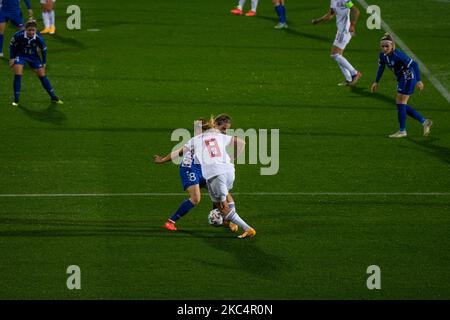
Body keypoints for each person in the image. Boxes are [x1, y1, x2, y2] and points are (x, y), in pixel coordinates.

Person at [154, 116, 238, 233]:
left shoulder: (216, 138)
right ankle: (170, 222)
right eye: (223, 129)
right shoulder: (198, 139)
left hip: (205, 169)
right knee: (196, 198)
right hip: (190, 168)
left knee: (223, 192)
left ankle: (228, 219)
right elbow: (179, 152)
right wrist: (162, 160)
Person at [188, 116, 256, 239]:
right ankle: (229, 220)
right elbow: (242, 142)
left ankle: (246, 228)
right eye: (224, 128)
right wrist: (232, 157)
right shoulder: (219, 136)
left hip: (214, 172)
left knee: (222, 206)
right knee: (223, 196)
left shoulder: (202, 138)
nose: (225, 131)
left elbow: (187, 147)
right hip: (227, 170)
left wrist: (163, 159)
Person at [371, 33, 433, 138]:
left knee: (401, 103)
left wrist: (419, 80)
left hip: (408, 79)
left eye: (387, 46)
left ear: (392, 46)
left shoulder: (398, 55)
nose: (385, 48)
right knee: (401, 104)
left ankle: (403, 131)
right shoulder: (382, 55)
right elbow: (381, 67)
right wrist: (376, 81)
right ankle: (424, 121)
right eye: (383, 46)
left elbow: (414, 64)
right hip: (401, 79)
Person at [9, 19, 63, 106]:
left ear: (36, 30)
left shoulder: (39, 38)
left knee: (42, 75)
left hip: (33, 56)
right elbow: (11, 45)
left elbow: (43, 50)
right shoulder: (18, 35)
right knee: (18, 74)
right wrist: (12, 58)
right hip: (21, 55)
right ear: (25, 29)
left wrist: (44, 62)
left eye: (33, 30)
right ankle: (16, 99)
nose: (31, 32)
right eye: (29, 30)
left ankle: (53, 97)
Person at [312, 0, 362, 86]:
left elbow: (356, 12)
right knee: (338, 55)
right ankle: (349, 79)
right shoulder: (333, 1)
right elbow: (330, 14)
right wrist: (318, 21)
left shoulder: (345, 1)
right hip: (340, 31)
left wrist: (352, 25)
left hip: (344, 31)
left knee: (335, 55)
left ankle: (355, 73)